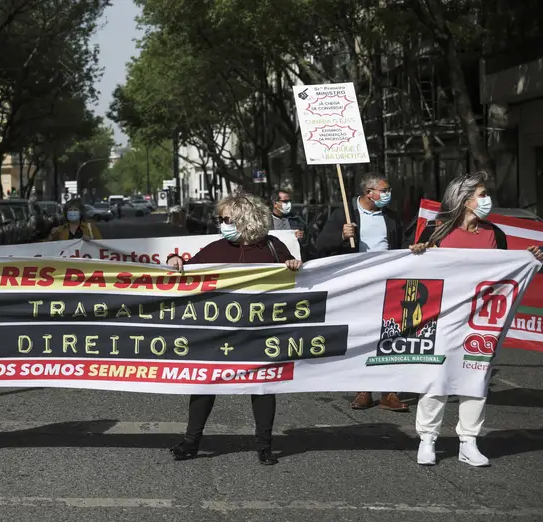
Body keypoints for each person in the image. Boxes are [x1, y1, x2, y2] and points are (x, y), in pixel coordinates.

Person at [409, 172, 543, 467]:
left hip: (482, 318)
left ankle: (468, 441)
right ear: (464, 199)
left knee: (476, 376)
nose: (486, 200)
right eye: (481, 195)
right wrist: (418, 252)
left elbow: (509, 272)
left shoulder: (494, 234)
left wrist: (531, 258)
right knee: (436, 376)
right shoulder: (437, 231)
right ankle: (427, 439)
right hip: (443, 316)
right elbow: (415, 273)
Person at [165, 192, 302, 466]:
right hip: (220, 331)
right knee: (205, 383)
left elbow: (296, 277)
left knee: (263, 386)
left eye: (225, 218)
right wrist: (173, 259)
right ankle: (191, 441)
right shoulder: (217, 249)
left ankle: (264, 445)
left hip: (259, 329)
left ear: (243, 219)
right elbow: (187, 270)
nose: (220, 224)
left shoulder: (274, 247)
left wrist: (293, 265)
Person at [316, 172, 408, 412]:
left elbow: (401, 248)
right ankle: (363, 389)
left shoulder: (392, 218)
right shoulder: (344, 215)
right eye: (384, 190)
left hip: (387, 285)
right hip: (356, 286)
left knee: (389, 335)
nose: (388, 195)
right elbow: (320, 246)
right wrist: (342, 236)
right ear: (369, 193)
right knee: (361, 336)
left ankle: (389, 391)